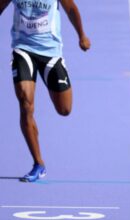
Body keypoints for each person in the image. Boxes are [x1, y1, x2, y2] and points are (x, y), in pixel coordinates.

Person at [0, 0, 90, 182]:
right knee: (26, 103)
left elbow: (71, 8)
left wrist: (82, 35)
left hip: (51, 52)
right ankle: (38, 163)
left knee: (64, 109)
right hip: (23, 49)